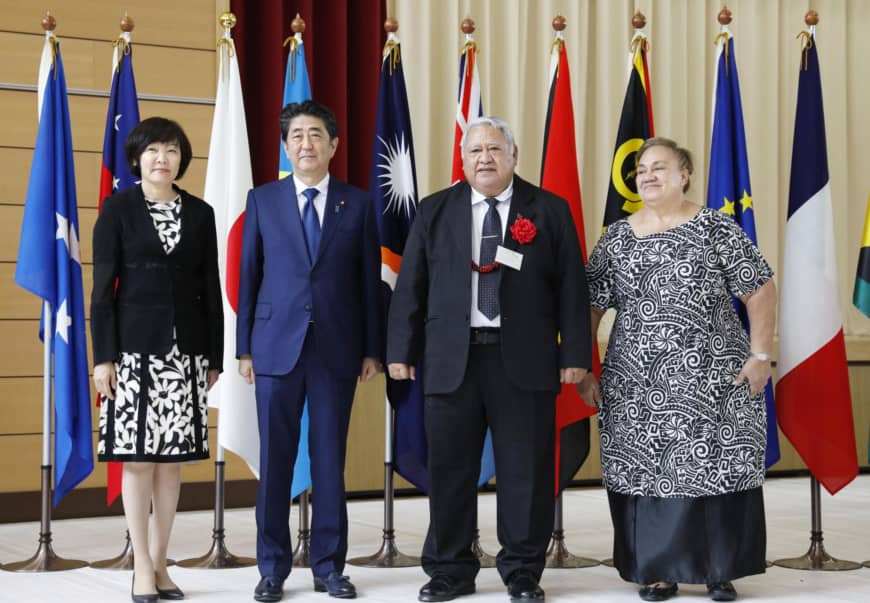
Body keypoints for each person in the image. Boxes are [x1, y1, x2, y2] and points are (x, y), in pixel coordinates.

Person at [387, 116, 591, 602]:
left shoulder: (549, 209)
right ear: (463, 159)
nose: (485, 158)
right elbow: (411, 286)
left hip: (525, 361)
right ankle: (449, 571)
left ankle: (522, 570)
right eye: (475, 150)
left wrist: (576, 353)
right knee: (451, 472)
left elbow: (571, 288)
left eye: (495, 149)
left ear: (513, 155)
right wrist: (400, 350)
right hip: (450, 361)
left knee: (526, 471)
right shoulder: (435, 210)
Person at [578, 137, 775, 603]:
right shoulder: (616, 238)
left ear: (684, 174)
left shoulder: (715, 228)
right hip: (637, 386)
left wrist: (761, 355)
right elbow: (588, 309)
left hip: (715, 379)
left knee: (716, 469)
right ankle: (656, 571)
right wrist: (587, 370)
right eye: (641, 169)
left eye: (659, 167)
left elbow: (760, 290)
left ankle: (717, 570)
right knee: (645, 474)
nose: (647, 175)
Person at [237, 100, 383, 602]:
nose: (306, 144)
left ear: (334, 145)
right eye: (296, 135)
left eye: (316, 135)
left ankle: (328, 567)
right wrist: (243, 350)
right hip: (274, 349)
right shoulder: (263, 200)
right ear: (285, 145)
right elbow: (248, 279)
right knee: (275, 462)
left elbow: (368, 284)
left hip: (336, 351)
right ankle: (272, 568)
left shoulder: (358, 204)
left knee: (328, 463)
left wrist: (371, 348)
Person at [91, 117, 223, 603]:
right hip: (132, 354)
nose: (161, 158)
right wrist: (103, 357)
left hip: (185, 354)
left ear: (181, 159)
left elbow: (211, 289)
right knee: (139, 461)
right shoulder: (118, 210)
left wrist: (213, 355)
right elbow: (102, 291)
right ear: (137, 158)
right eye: (152, 150)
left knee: (172, 465)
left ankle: (163, 561)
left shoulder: (201, 213)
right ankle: (141, 565)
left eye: (170, 150)